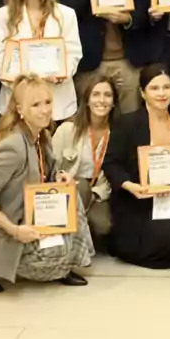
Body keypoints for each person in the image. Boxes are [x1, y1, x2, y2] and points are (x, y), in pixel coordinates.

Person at [0, 75, 93, 292]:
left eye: (47, 102)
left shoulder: (41, 134)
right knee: (50, 260)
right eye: (36, 105)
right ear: (20, 109)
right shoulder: (12, 146)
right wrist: (16, 231)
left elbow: (43, 172)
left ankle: (64, 267)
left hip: (27, 214)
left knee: (70, 194)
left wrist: (60, 176)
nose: (45, 110)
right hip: (5, 228)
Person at [103, 66, 170, 268]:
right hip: (142, 196)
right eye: (154, 88)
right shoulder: (127, 123)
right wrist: (130, 186)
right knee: (160, 242)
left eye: (166, 87)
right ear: (143, 93)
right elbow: (111, 163)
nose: (161, 93)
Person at [0, 0, 82, 120]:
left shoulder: (66, 14)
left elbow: (73, 53)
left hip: (57, 100)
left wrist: (62, 75)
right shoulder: (4, 15)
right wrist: (21, 84)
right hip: (18, 103)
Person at [51, 73, 120, 245]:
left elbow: (115, 174)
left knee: (104, 226)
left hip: (98, 193)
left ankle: (81, 230)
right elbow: (50, 166)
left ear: (114, 102)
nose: (101, 100)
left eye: (107, 95)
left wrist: (94, 195)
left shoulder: (119, 134)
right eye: (96, 94)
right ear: (87, 100)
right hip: (67, 190)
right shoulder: (67, 130)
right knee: (81, 186)